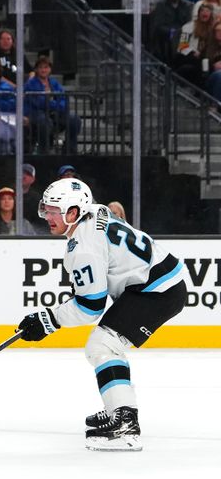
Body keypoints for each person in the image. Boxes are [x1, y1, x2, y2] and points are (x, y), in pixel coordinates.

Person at [16, 179, 187, 451]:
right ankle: (118, 410)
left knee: (102, 345)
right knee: (104, 344)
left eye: (53, 211)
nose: (47, 216)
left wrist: (48, 320)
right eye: (45, 210)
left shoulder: (83, 247)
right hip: (156, 280)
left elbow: (90, 307)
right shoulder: (94, 211)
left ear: (73, 212)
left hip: (157, 291)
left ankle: (125, 421)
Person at [24, 56, 82, 154]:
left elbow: (64, 101)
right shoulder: (31, 84)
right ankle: (44, 152)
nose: (43, 70)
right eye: (41, 67)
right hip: (35, 113)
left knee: (74, 119)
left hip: (53, 113)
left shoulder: (54, 83)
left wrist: (53, 104)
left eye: (46, 67)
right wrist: (55, 104)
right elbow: (40, 103)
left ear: (50, 69)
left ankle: (69, 150)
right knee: (45, 122)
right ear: (36, 69)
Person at [149, 0, 193, 64]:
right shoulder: (161, 5)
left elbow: (189, 23)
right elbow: (158, 25)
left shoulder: (188, 5)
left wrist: (180, 32)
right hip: (166, 35)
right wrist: (172, 32)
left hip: (183, 34)